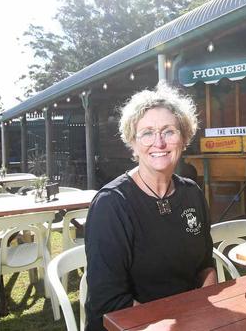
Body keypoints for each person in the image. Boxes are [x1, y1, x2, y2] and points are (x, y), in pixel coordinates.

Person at [84, 83, 217, 330]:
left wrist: (203, 310)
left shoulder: (191, 194)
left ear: (184, 137)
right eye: (147, 133)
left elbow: (205, 265)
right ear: (133, 143)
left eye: (169, 131)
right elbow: (108, 300)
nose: (159, 143)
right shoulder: (111, 204)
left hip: (188, 321)